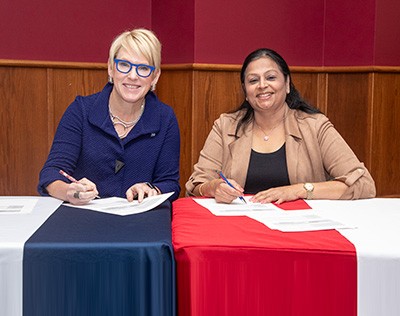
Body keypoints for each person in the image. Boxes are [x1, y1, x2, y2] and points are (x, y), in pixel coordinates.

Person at [186, 48, 375, 204]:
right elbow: (195, 186)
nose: (262, 85)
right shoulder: (225, 126)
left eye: (270, 77)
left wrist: (299, 190)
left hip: (302, 231)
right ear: (246, 92)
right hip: (240, 229)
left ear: (287, 84)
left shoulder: (315, 126)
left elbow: (363, 184)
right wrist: (214, 187)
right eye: (253, 80)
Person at [38, 28, 180, 205]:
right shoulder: (81, 110)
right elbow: (51, 174)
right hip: (83, 219)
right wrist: (70, 192)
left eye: (143, 68)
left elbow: (170, 184)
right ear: (111, 68)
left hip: (138, 223)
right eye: (124, 65)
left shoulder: (165, 118)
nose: (133, 76)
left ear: (155, 77)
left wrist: (150, 189)